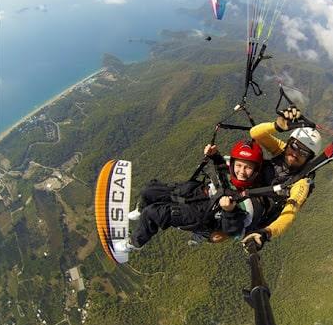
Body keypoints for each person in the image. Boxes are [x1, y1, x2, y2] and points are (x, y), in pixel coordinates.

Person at [114, 140, 267, 252]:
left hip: (204, 215)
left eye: (248, 168)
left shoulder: (249, 199)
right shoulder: (231, 171)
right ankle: (141, 210)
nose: (241, 171)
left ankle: (134, 243)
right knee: (150, 190)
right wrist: (215, 156)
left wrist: (230, 211)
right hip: (198, 192)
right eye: (239, 165)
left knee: (153, 213)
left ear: (255, 171)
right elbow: (223, 169)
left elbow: (232, 231)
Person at [241, 106, 322, 250]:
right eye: (295, 146)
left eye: (303, 153)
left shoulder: (302, 182)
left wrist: (266, 233)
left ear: (309, 158)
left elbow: (289, 213)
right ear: (289, 143)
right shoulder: (282, 149)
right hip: (247, 189)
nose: (295, 153)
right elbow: (256, 134)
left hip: (259, 211)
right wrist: (276, 126)